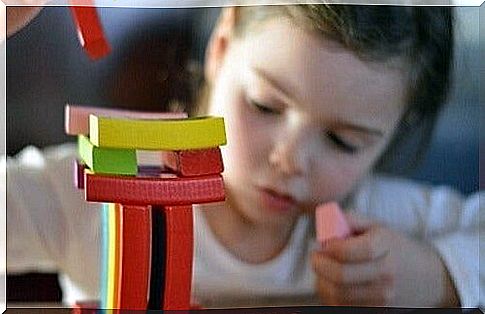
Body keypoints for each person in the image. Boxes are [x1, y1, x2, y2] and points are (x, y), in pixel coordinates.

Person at [4, 4, 483, 309]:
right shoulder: (93, 196)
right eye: (264, 105)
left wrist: (438, 276)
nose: (289, 159)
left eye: (343, 140)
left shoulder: (377, 223)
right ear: (221, 45)